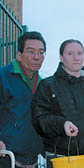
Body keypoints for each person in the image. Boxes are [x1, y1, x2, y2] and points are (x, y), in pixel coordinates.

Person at [31, 39, 84, 168]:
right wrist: (62, 124)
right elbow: (39, 120)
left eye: (79, 53)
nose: (76, 57)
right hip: (60, 159)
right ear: (61, 57)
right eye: (70, 53)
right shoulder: (47, 85)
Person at [0, 31, 46, 168]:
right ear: (19, 55)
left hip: (33, 161)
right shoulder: (3, 76)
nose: (37, 57)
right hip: (6, 157)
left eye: (41, 52)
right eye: (31, 52)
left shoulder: (44, 85)